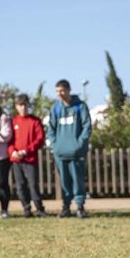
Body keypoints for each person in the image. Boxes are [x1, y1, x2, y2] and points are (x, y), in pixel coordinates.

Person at [47, 79, 92, 218]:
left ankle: (80, 207)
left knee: (78, 181)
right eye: (57, 91)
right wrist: (55, 145)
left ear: (68, 90)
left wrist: (79, 144)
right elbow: (50, 129)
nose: (59, 94)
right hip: (60, 152)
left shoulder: (80, 107)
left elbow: (87, 126)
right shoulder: (55, 108)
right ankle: (66, 207)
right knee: (64, 182)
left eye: (62, 91)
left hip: (76, 153)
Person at [9, 94, 47, 217]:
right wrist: (13, 151)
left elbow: (39, 138)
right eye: (20, 105)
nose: (23, 107)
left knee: (33, 184)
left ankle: (39, 209)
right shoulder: (13, 121)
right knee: (20, 186)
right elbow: (9, 139)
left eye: (25, 105)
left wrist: (26, 151)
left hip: (30, 159)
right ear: (16, 106)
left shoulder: (35, 121)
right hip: (17, 160)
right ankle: (26, 209)